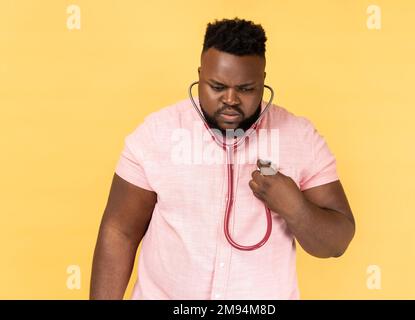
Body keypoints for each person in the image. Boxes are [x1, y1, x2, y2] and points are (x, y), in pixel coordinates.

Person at [90, 17, 355, 300]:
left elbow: (336, 243)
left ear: (263, 81)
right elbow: (120, 232)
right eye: (217, 87)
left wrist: (295, 207)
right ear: (200, 75)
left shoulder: (299, 137)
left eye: (245, 89)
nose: (230, 99)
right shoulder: (156, 134)